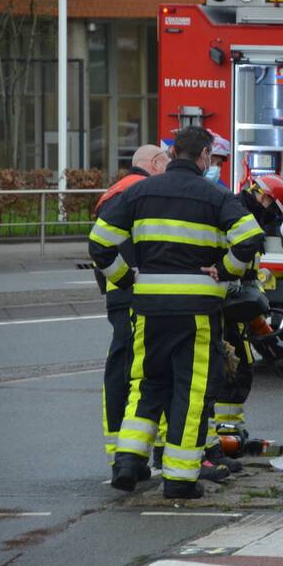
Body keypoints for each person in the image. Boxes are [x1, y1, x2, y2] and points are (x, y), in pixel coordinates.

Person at [89, 126, 265, 499]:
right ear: (203, 155)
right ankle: (180, 479)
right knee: (191, 390)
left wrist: (126, 279)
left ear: (171, 156)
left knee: (147, 384)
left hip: (149, 308)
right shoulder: (214, 195)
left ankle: (127, 462)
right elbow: (251, 237)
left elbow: (99, 243)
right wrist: (226, 268)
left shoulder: (138, 191)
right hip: (196, 311)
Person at [205, 174, 283, 473]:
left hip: (229, 309)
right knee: (229, 371)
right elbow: (229, 272)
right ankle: (221, 437)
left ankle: (227, 433)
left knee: (237, 368)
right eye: (273, 212)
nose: (271, 219)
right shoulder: (238, 217)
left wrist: (265, 334)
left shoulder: (241, 216)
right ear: (266, 198)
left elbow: (248, 278)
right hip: (217, 307)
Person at [96, 145, 170, 485]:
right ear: (154, 163)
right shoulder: (137, 192)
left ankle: (128, 456)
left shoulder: (117, 191)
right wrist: (129, 281)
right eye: (166, 164)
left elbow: (104, 248)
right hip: (135, 294)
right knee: (136, 371)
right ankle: (127, 458)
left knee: (131, 368)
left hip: (121, 293)